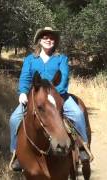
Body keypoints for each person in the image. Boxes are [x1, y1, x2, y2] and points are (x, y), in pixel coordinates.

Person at [9, 27, 89, 171]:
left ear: (55, 42)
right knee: (14, 119)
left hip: (59, 97)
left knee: (77, 114)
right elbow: (25, 78)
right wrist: (22, 92)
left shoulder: (61, 59)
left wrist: (51, 95)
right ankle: (17, 154)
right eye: (45, 37)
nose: (48, 40)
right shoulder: (30, 59)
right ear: (39, 40)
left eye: (51, 38)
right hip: (35, 98)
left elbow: (63, 79)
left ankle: (83, 148)